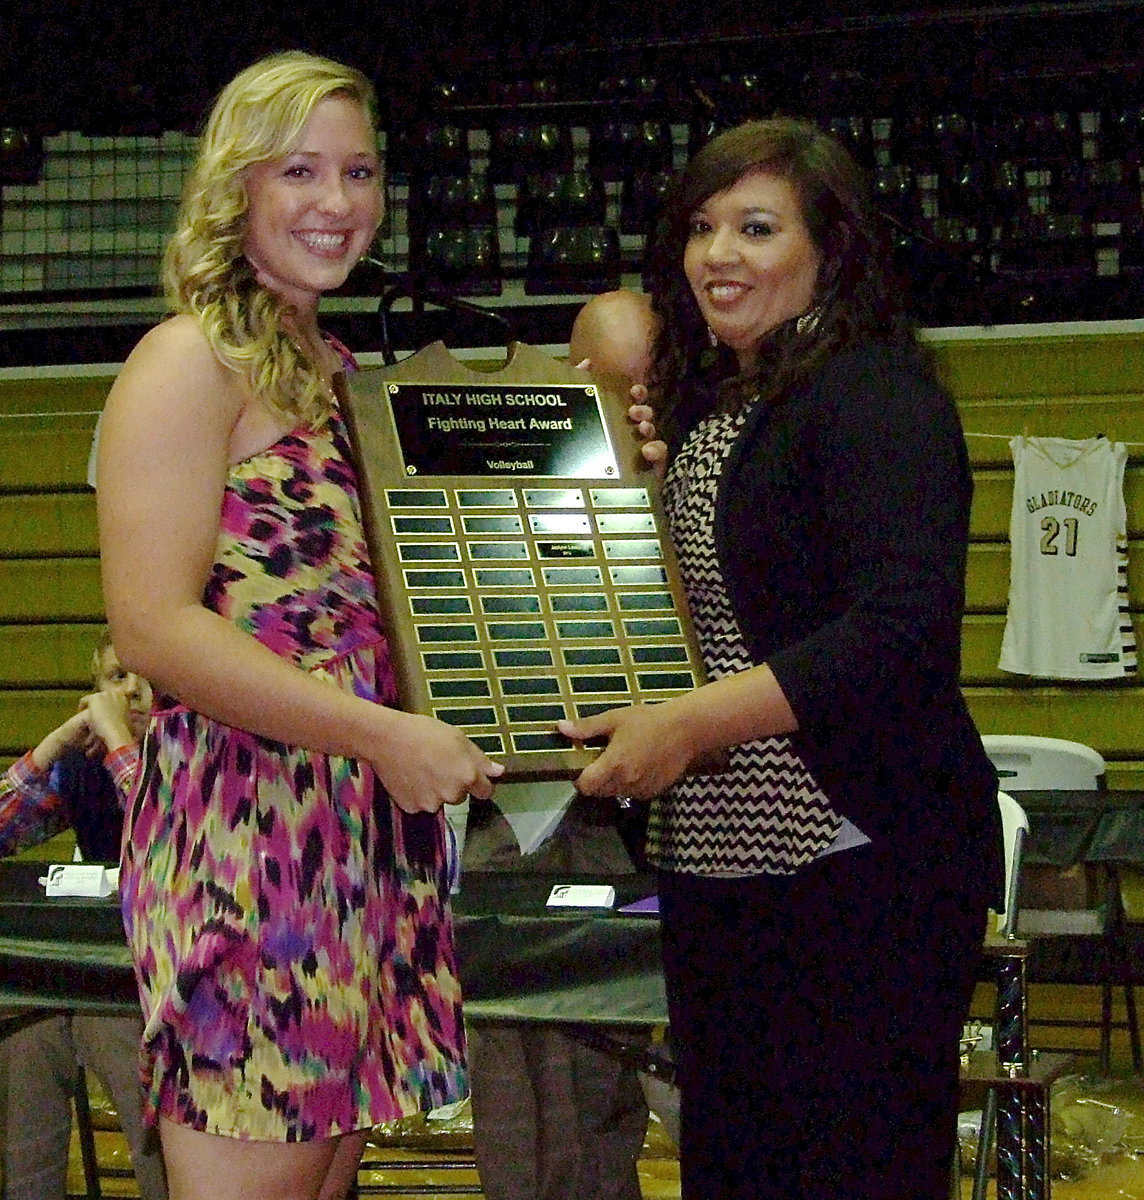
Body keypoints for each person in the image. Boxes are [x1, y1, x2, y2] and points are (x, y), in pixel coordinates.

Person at [558, 118, 1002, 1200]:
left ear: (829, 249)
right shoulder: (717, 408)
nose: (719, 254)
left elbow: (896, 635)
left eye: (756, 228)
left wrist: (689, 725)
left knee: (853, 1168)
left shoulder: (875, 395)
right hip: (717, 860)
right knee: (736, 1166)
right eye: (702, 227)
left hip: (856, 859)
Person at [94, 51, 502, 1200]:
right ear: (238, 187)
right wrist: (377, 734)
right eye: (301, 171)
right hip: (246, 838)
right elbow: (155, 629)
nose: (337, 203)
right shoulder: (189, 361)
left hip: (360, 835)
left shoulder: (336, 368)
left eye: (359, 170)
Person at [0, 630, 167, 1200]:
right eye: (118, 678)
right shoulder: (84, 769)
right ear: (95, 692)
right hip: (96, 966)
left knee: (119, 1037)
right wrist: (54, 746)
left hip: (161, 981)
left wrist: (122, 743)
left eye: (149, 676)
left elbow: (163, 839)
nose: (136, 691)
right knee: (23, 1027)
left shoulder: (198, 757)